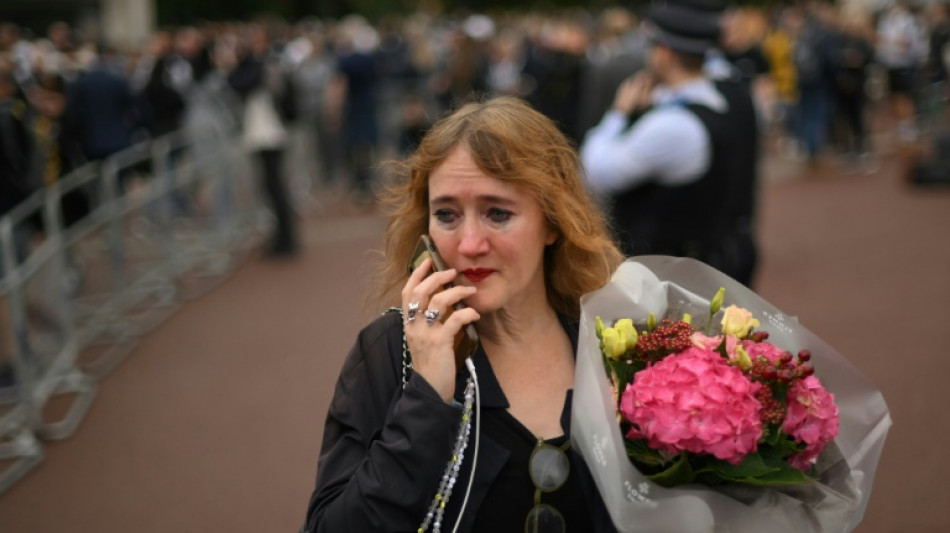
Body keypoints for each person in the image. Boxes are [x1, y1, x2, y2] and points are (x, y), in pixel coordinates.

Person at [302, 96, 624, 532]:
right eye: (447, 214)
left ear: (553, 222)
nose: (470, 243)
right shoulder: (389, 351)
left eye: (498, 213)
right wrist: (427, 398)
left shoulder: (613, 340)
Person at [580, 0, 760, 287]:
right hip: (723, 254)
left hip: (676, 274)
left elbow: (596, 174)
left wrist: (618, 113)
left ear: (664, 53)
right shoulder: (729, 94)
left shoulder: (673, 124)